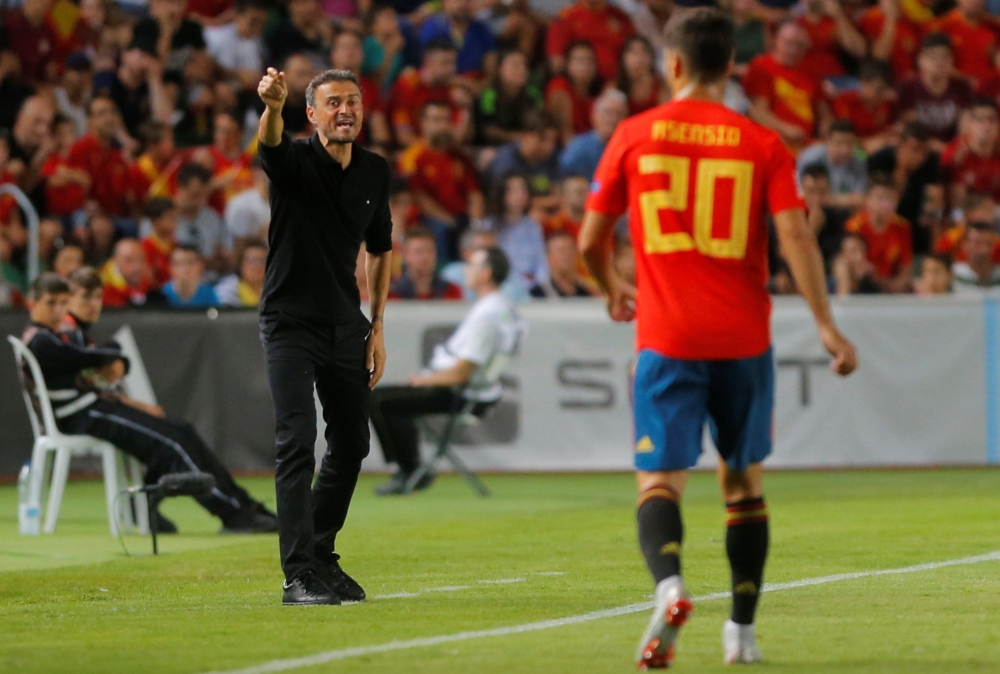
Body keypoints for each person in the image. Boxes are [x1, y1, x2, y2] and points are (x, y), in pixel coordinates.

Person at [579, 9, 857, 669]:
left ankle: (671, 586)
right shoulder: (762, 143)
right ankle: (743, 634)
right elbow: (795, 237)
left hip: (667, 336)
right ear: (730, 66)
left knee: (660, 482)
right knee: (743, 486)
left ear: (672, 64)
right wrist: (825, 324)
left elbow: (590, 242)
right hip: (742, 339)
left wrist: (611, 286)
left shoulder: (634, 134)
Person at [256, 66, 393, 606]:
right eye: (333, 102)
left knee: (353, 443)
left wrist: (377, 324)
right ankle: (298, 576)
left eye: (353, 102)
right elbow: (270, 144)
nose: (345, 111)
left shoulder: (374, 172)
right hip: (289, 321)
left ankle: (320, 552)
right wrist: (271, 107)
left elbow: (380, 248)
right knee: (296, 443)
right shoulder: (292, 161)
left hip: (346, 323)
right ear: (310, 114)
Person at [23, 271, 277, 534]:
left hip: (91, 410)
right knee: (172, 442)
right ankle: (232, 511)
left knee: (178, 433)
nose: (60, 310)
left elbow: (89, 371)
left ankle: (233, 505)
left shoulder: (57, 336)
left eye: (61, 303)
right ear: (33, 302)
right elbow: (84, 359)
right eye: (54, 303)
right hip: (82, 414)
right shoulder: (49, 339)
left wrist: (118, 367)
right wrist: (116, 355)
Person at [371, 247, 522, 495]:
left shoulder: (488, 314)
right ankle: (409, 467)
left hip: (459, 392)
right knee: (387, 400)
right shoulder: (498, 307)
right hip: (465, 388)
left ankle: (409, 469)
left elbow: (462, 371)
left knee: (379, 399)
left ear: (485, 274)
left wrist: (424, 381)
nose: (465, 270)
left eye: (471, 265)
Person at [743, 21, 826, 152]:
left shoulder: (810, 71)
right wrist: (787, 129)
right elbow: (757, 111)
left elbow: (823, 111)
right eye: (788, 43)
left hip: (807, 144)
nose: (793, 50)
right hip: (774, 140)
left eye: (799, 45)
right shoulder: (762, 67)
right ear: (776, 41)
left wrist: (828, 132)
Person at [895, 33, 974, 146]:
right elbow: (907, 128)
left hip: (952, 148)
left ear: (951, 60)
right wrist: (937, 147)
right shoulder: (907, 87)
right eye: (932, 56)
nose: (938, 62)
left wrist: (953, 149)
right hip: (918, 147)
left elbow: (966, 125)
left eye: (944, 57)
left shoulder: (962, 87)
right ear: (920, 60)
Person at [480, 173, 549, 294]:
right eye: (513, 190)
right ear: (502, 193)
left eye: (523, 190)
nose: (520, 195)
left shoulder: (533, 226)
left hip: (530, 289)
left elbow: (541, 263)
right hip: (500, 288)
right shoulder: (488, 226)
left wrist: (540, 286)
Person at [844, 175, 914, 293]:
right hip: (862, 282)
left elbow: (905, 268)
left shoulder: (903, 227)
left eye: (891, 199)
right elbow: (849, 259)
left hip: (889, 285)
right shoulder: (854, 226)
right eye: (880, 198)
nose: (886, 205)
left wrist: (896, 285)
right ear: (868, 200)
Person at [559, 88, 629, 181]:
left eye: (618, 113)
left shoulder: (629, 148)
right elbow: (564, 179)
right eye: (607, 112)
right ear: (594, 116)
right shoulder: (579, 148)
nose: (613, 119)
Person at [796, 120, 867, 211]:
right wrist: (845, 199)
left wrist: (829, 200)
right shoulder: (809, 158)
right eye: (839, 143)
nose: (844, 150)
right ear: (828, 141)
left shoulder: (860, 160)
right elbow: (799, 193)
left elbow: (860, 200)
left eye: (849, 143)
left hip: (844, 213)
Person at [388, 227, 464, 300]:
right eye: (418, 251)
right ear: (405, 255)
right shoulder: (393, 294)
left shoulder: (451, 291)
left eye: (429, 251)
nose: (425, 257)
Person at [100, 238, 167, 307]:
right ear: (116, 261)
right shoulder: (103, 292)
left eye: (141, 260)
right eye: (129, 260)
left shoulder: (152, 290)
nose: (137, 267)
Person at [530, 230, 595, 298]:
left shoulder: (587, 292)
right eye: (560, 251)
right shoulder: (537, 295)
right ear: (548, 257)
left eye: (570, 249)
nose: (566, 255)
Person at [140, 197, 178, 288]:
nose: (174, 221)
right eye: (169, 217)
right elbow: (147, 279)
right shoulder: (145, 247)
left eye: (175, 217)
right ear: (155, 221)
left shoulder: (177, 245)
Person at [215, 240, 267, 306]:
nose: (257, 266)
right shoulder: (228, 289)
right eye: (252, 260)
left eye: (262, 261)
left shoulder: (273, 288)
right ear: (240, 264)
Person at [953, 221, 1000, 291]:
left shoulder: (998, 276)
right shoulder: (954, 275)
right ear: (965, 245)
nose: (984, 250)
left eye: (989, 244)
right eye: (977, 244)